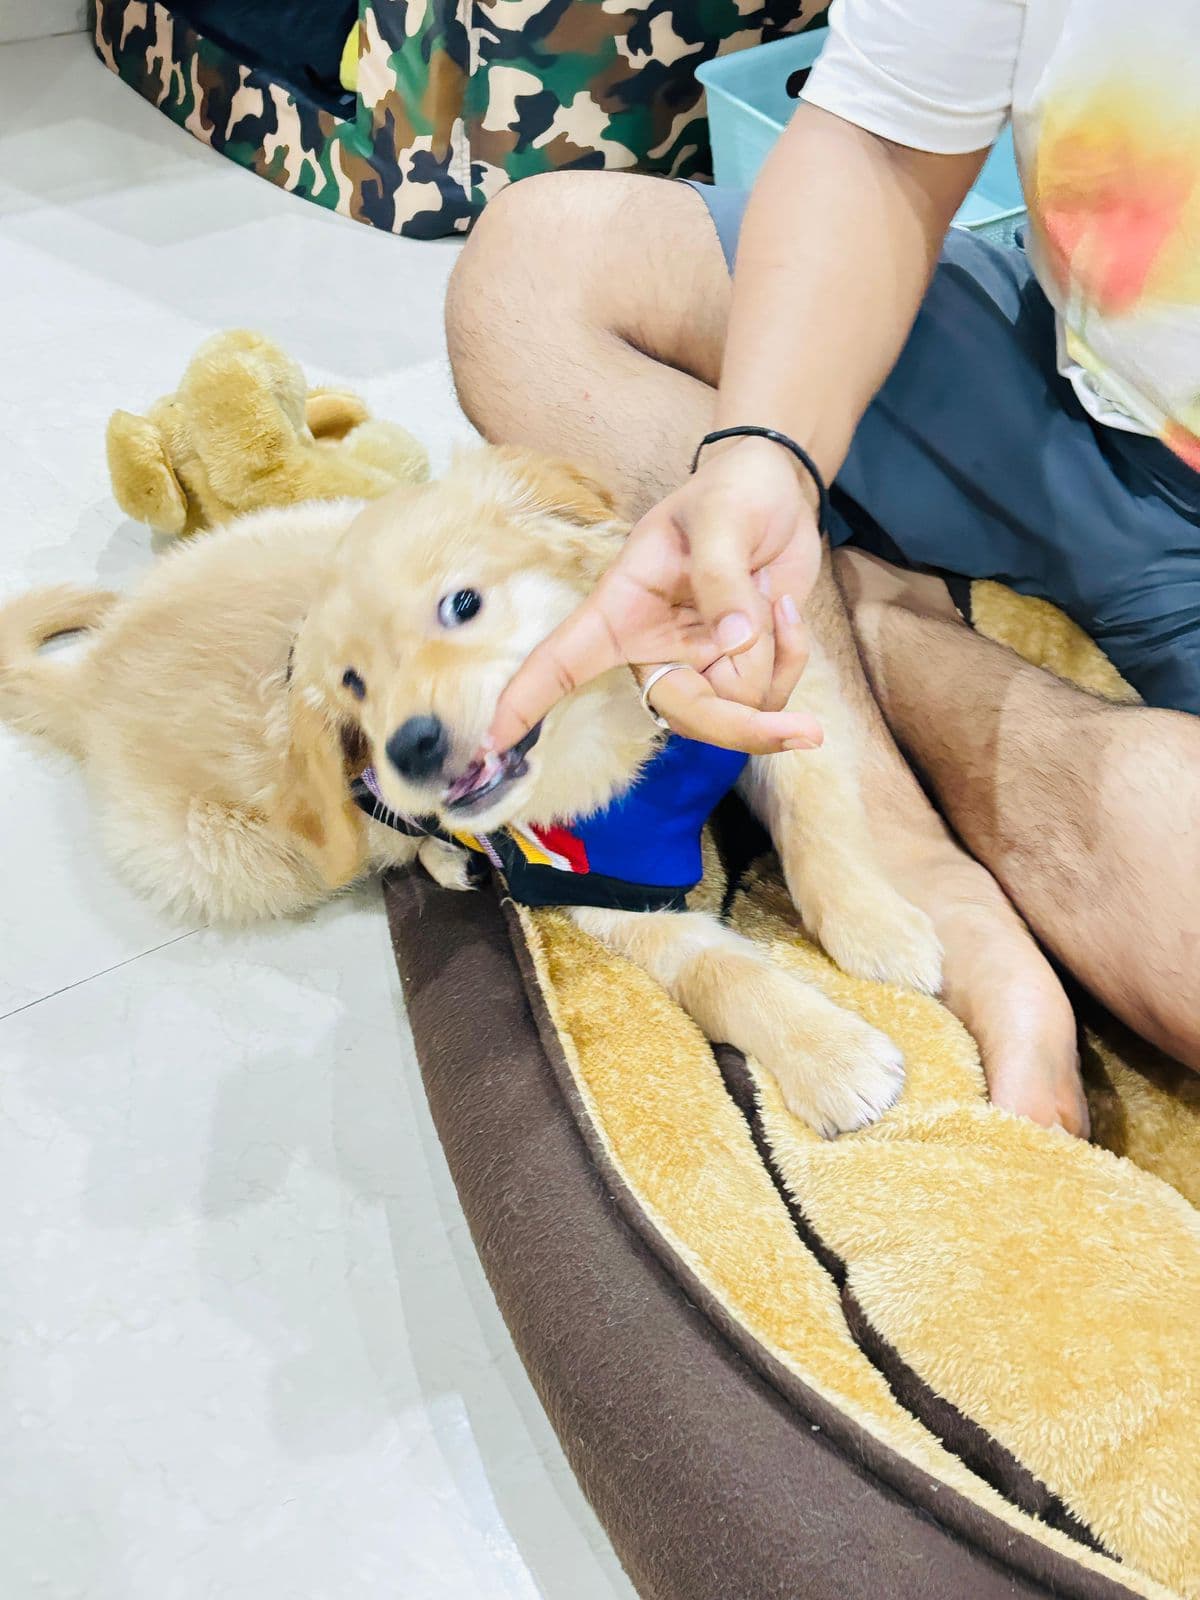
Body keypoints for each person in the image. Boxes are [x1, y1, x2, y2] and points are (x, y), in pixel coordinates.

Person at [443, 0, 1200, 1137]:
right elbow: (881, 141)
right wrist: (764, 459)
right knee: (536, 274)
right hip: (1080, 389)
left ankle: (879, 631)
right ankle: (888, 839)